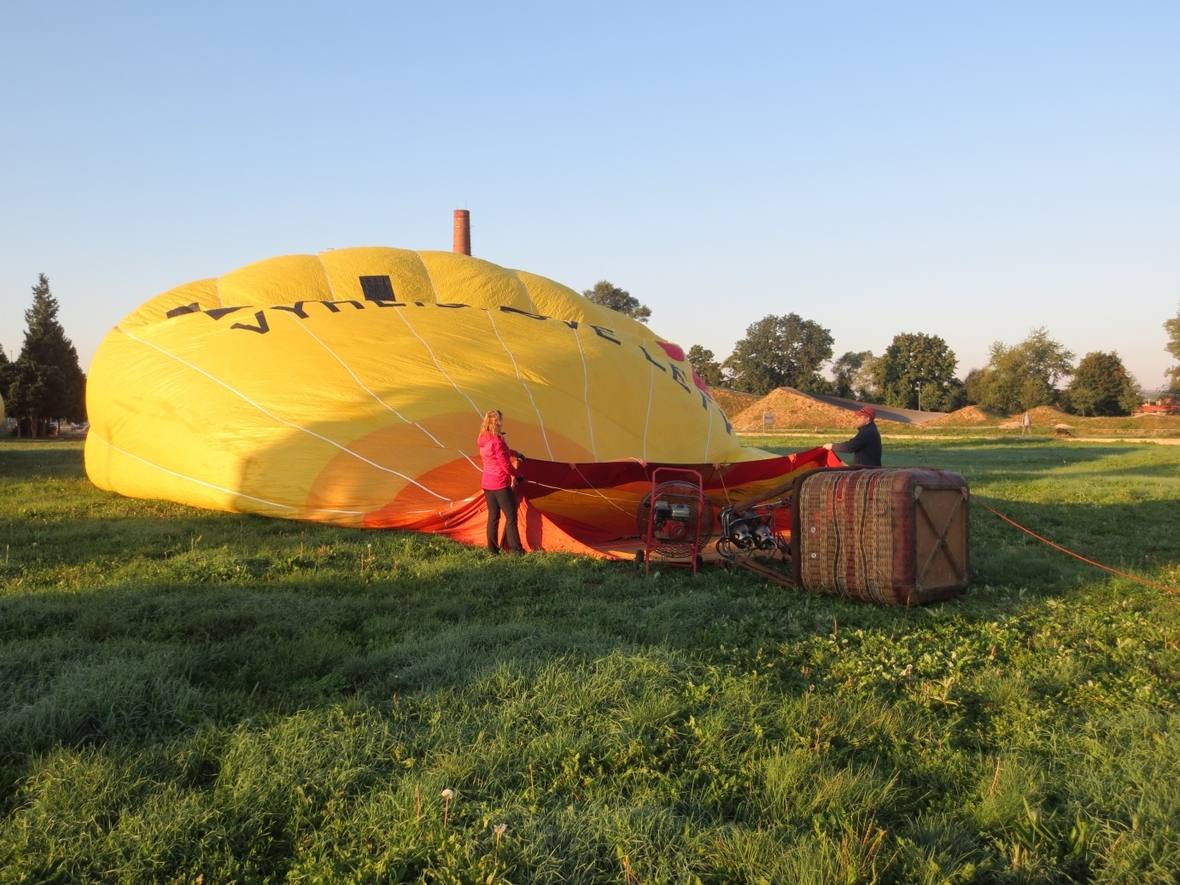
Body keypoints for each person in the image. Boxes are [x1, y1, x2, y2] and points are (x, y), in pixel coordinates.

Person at [477, 409, 525, 554]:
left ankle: (492, 550)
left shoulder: (482, 438)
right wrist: (518, 475)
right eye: (501, 420)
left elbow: (500, 452)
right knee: (511, 516)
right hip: (500, 485)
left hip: (487, 484)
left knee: (493, 516)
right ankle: (516, 551)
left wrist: (515, 453)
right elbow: (505, 465)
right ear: (498, 422)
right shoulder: (498, 441)